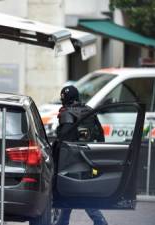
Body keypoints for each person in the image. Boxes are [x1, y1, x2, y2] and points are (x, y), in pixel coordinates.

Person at [55, 85, 107, 225]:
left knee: (78, 193)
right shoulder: (89, 111)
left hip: (73, 160)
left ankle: (100, 222)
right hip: (90, 157)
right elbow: (100, 135)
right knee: (70, 194)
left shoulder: (67, 113)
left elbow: (64, 139)